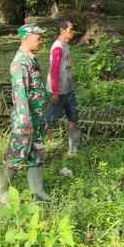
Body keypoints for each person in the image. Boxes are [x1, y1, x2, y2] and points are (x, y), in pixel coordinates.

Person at [0, 23, 52, 203]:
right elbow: (20, 95)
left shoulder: (31, 60)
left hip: (36, 118)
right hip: (25, 120)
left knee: (37, 153)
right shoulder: (20, 62)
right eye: (38, 38)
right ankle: (0, 191)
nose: (41, 41)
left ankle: (38, 192)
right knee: (16, 154)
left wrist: (41, 118)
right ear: (25, 39)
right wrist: (25, 122)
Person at [45, 18, 81, 154]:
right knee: (50, 119)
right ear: (62, 30)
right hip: (59, 91)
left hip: (68, 89)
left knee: (73, 117)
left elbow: (67, 67)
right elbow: (54, 71)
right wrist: (55, 91)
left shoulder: (66, 45)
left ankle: (75, 150)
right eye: (70, 29)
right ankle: (35, 148)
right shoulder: (57, 48)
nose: (73, 32)